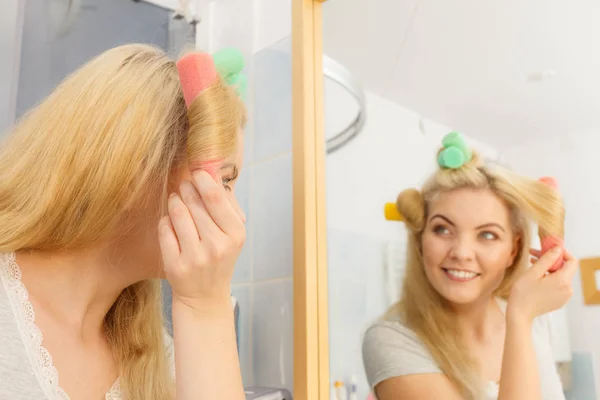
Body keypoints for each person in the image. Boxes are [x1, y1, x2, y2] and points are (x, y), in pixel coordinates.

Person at [0, 43, 248, 400]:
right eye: (224, 182)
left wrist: (207, 308)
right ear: (135, 171)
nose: (236, 217)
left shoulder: (166, 364)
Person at [362, 132, 577, 400]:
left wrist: (523, 317)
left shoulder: (535, 320)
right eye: (442, 229)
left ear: (513, 250)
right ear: (420, 240)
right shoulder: (392, 341)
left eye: (487, 235)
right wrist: (519, 319)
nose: (462, 253)